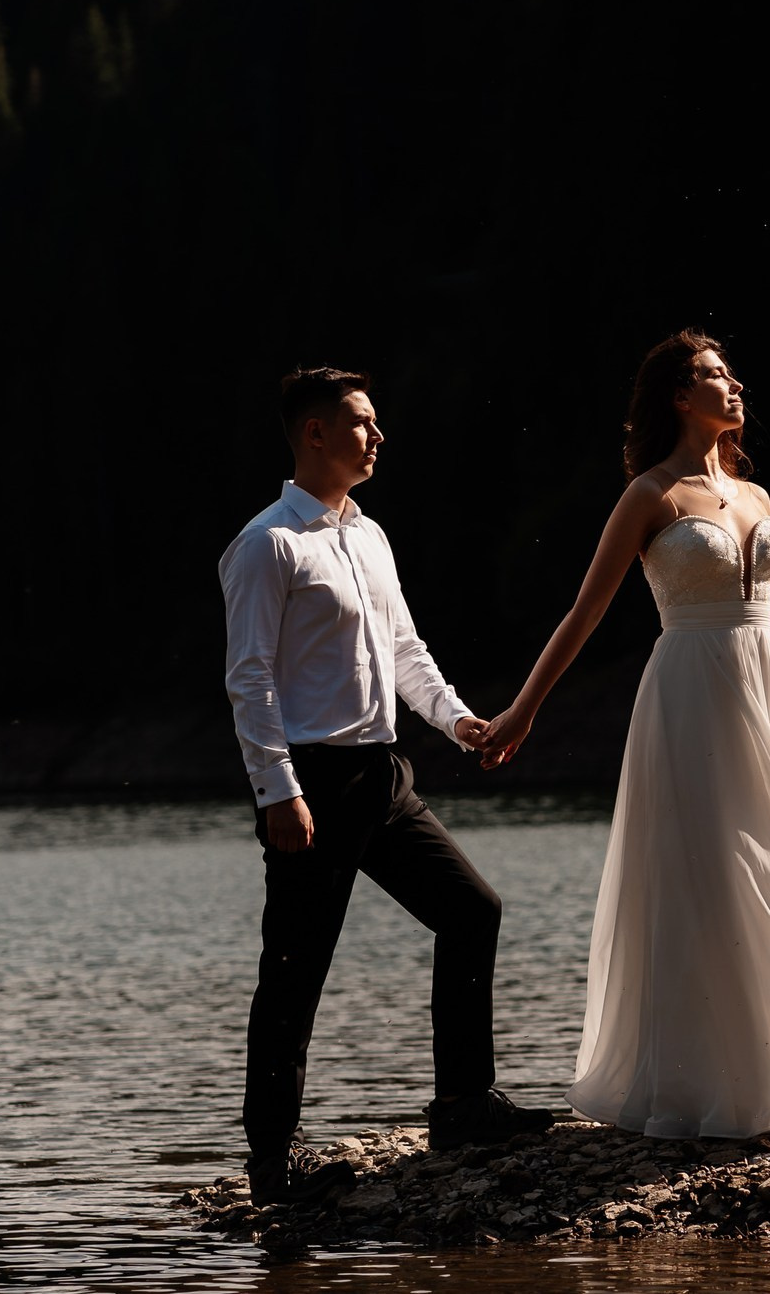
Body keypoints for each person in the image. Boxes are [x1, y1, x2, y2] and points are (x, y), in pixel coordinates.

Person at [478, 328, 770, 1139]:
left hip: (766, 703)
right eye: (717, 376)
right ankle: (709, 1087)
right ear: (680, 397)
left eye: (731, 374)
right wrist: (522, 711)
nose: (736, 385)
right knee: (714, 874)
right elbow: (585, 612)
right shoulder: (650, 494)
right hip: (689, 693)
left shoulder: (756, 497)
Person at [220, 366, 552, 1202]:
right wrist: (277, 792)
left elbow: (405, 651)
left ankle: (462, 1104)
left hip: (384, 773)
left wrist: (461, 721)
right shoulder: (267, 545)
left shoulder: (369, 535)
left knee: (472, 909)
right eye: (361, 423)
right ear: (314, 434)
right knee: (296, 969)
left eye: (376, 423)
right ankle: (270, 1163)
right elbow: (249, 678)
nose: (377, 436)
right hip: (313, 783)